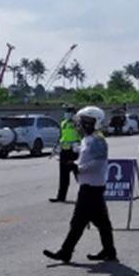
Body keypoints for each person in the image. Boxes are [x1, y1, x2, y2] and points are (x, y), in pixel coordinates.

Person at [43, 106, 117, 264]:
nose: (80, 125)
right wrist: (75, 163)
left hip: (91, 187)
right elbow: (88, 160)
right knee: (101, 222)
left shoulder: (97, 140)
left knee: (78, 222)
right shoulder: (88, 139)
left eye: (84, 122)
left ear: (93, 123)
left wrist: (77, 167)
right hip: (91, 186)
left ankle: (65, 252)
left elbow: (98, 163)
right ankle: (109, 251)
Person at [49, 106, 80, 203]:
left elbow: (82, 134)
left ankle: (87, 196)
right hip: (64, 151)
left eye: (70, 112)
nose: (67, 114)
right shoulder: (63, 123)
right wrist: (57, 147)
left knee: (79, 175)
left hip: (74, 151)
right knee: (63, 176)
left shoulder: (78, 123)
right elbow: (62, 136)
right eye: (66, 112)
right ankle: (61, 197)